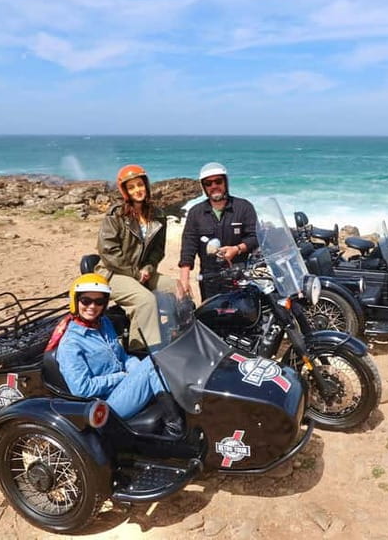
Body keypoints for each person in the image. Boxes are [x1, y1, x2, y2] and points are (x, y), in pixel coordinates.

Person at [54, 273, 183, 436]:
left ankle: (181, 411)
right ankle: (175, 429)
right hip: (105, 404)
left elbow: (122, 357)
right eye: (86, 301)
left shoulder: (104, 324)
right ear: (75, 301)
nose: (92, 306)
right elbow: (81, 389)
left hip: (123, 388)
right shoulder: (71, 344)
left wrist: (135, 367)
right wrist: (122, 376)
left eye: (99, 301)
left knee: (158, 356)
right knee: (154, 362)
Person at [94, 164, 175, 346]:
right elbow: (108, 251)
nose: (137, 190)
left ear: (146, 185)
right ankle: (143, 349)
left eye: (140, 184)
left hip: (141, 270)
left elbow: (157, 250)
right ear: (125, 191)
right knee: (145, 300)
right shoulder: (116, 215)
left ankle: (174, 335)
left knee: (175, 288)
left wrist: (147, 268)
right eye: (131, 187)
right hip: (112, 272)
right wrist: (136, 273)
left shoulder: (158, 216)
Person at [179, 162, 258, 300]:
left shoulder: (244, 207)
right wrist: (184, 281)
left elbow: (255, 237)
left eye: (218, 181)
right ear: (204, 187)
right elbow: (188, 247)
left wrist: (237, 249)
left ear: (225, 182)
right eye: (208, 183)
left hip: (240, 276)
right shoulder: (196, 213)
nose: (214, 186)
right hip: (210, 279)